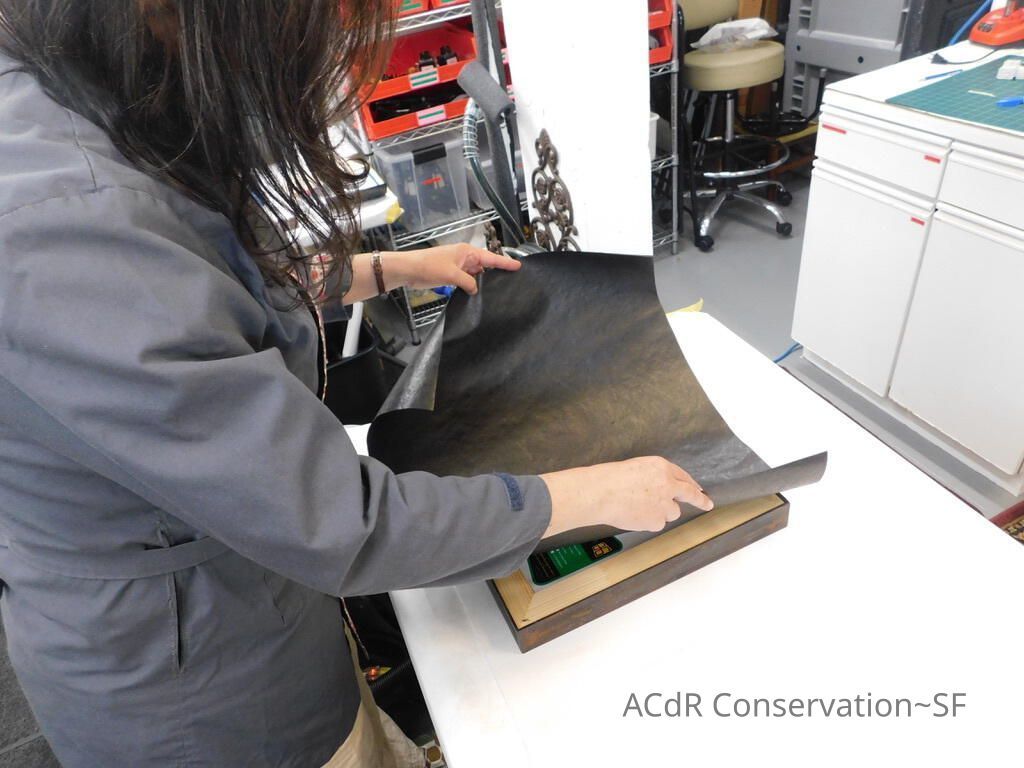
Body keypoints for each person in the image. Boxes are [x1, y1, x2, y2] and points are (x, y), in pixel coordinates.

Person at [0, 2, 714, 766]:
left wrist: (387, 268)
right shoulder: (66, 234)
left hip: (243, 592)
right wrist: (586, 495)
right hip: (204, 694)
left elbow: (205, 272)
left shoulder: (87, 89)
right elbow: (338, 521)